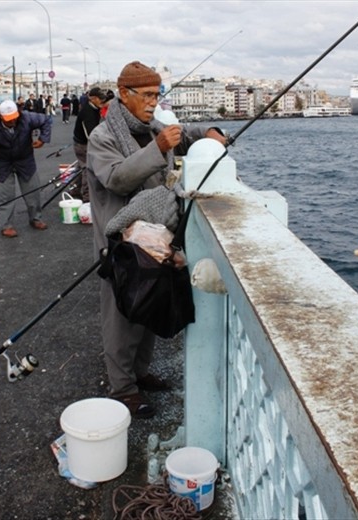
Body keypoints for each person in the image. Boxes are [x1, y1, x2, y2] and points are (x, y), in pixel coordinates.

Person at [87, 61, 226, 418]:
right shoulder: (102, 137)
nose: (153, 102)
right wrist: (157, 148)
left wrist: (208, 132)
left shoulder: (152, 129)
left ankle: (139, 372)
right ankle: (122, 388)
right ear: (125, 94)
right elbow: (117, 179)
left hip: (152, 237)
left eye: (156, 94)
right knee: (120, 314)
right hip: (119, 241)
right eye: (147, 95)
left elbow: (182, 133)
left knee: (147, 306)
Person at [0, 99, 51, 238]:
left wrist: (43, 139)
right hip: (3, 162)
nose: (13, 122)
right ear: (1, 117)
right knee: (5, 195)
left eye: (15, 118)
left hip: (25, 159)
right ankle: (6, 225)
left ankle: (36, 218)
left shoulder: (27, 117)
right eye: (9, 120)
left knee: (33, 190)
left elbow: (45, 120)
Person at [72, 87, 106, 203]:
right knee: (88, 169)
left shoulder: (95, 108)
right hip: (83, 145)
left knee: (81, 167)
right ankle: (87, 197)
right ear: (92, 98)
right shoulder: (88, 112)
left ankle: (75, 189)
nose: (102, 101)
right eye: (100, 99)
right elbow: (90, 135)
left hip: (80, 142)